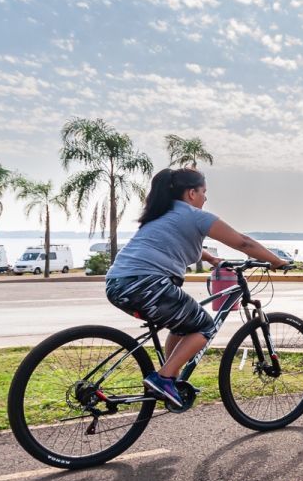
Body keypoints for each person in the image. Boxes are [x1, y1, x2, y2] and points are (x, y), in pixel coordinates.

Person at [105, 168, 290, 411]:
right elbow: (244, 242)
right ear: (192, 193)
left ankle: (171, 378)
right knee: (205, 326)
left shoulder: (162, 214)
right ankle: (164, 378)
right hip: (147, 285)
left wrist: (212, 259)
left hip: (118, 284)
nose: (205, 198)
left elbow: (172, 241)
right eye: (204, 192)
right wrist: (277, 261)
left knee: (183, 324)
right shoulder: (195, 216)